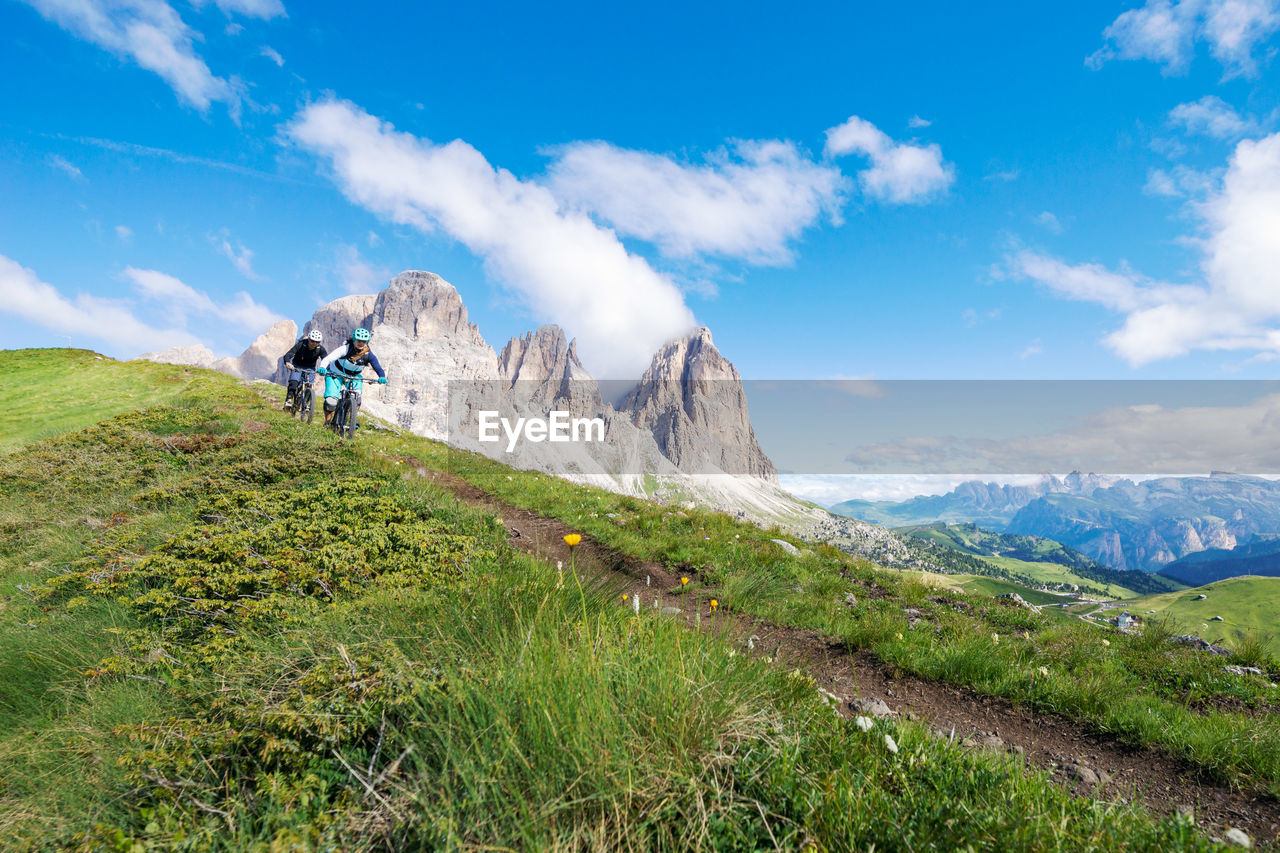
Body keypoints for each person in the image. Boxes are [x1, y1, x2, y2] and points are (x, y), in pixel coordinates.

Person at [317, 327, 387, 425]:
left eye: (363, 341)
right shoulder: (345, 349)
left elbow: (378, 367)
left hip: (354, 377)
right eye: (358, 341)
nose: (360, 343)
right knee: (331, 402)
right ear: (354, 340)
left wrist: (382, 376)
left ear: (367, 342)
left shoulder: (368, 354)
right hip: (335, 373)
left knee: (356, 398)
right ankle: (327, 423)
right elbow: (328, 359)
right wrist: (323, 367)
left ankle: (352, 419)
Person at [281, 329, 328, 409]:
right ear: (309, 339)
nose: (315, 343)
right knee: (294, 382)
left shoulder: (320, 349)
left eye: (317, 342)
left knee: (309, 386)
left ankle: (306, 404)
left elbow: (326, 359)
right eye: (313, 341)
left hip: (310, 368)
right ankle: (289, 400)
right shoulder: (301, 344)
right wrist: (288, 362)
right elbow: (289, 354)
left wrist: (325, 368)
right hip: (297, 365)